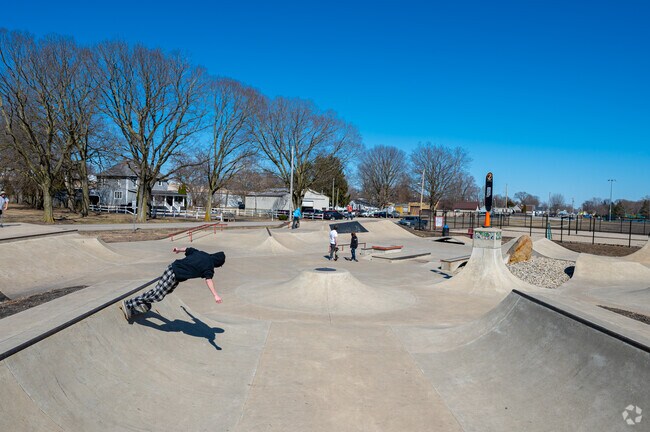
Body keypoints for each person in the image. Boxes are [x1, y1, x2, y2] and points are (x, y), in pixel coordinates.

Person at [120, 247, 225, 321]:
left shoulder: (202, 253)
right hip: (174, 274)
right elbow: (208, 280)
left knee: (165, 291)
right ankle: (129, 304)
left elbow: (188, 249)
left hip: (172, 268)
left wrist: (178, 249)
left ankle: (142, 303)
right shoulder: (209, 266)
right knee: (158, 295)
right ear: (218, 263)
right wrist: (215, 295)